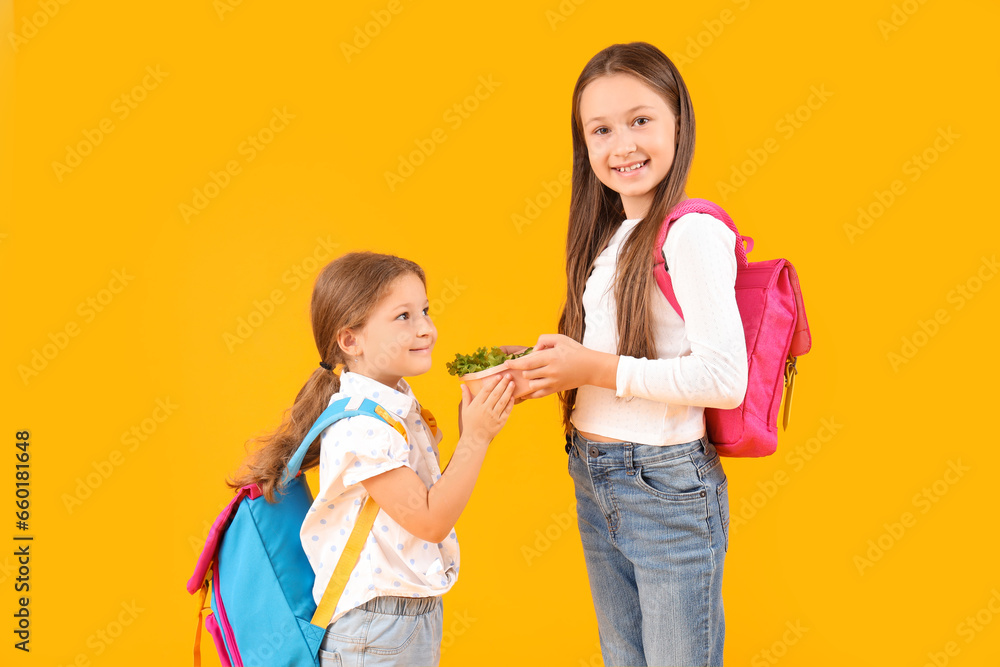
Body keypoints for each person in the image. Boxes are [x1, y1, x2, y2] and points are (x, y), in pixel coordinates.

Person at [505, 42, 748, 666]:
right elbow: (607, 359)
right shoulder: (615, 237)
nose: (623, 145)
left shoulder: (692, 233)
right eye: (601, 129)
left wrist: (593, 368)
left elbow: (725, 379)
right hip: (596, 474)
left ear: (678, 123)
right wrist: (540, 366)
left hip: (663, 483)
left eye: (641, 120)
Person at [229, 251, 515, 666]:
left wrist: (473, 424)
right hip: (376, 631)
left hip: (401, 621)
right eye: (403, 316)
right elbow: (431, 520)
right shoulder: (360, 429)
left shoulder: (395, 407)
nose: (426, 329)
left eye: (425, 311)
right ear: (351, 340)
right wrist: (476, 437)